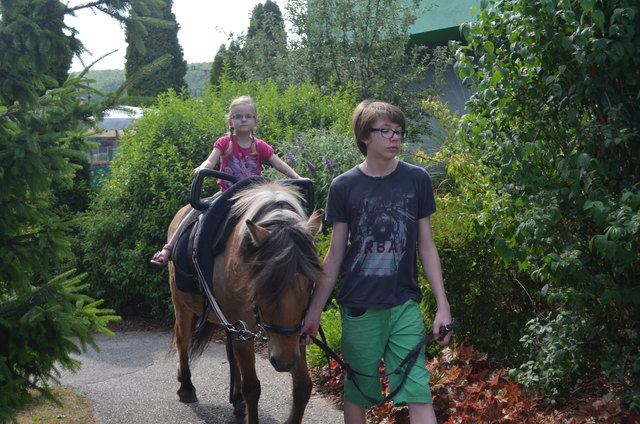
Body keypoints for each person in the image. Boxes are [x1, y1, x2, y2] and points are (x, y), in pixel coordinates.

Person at [301, 100, 452, 424]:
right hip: (359, 307)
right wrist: (313, 313)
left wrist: (443, 306)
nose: (395, 137)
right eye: (386, 130)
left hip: (404, 305)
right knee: (358, 393)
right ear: (364, 136)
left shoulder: (417, 179)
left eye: (399, 131)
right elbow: (336, 254)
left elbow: (426, 246)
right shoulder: (344, 186)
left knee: (418, 392)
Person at [150, 95, 303, 266]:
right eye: (238, 116)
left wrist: (297, 178)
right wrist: (202, 167)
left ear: (256, 121)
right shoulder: (224, 143)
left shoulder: (260, 146)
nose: (243, 119)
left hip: (253, 197)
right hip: (226, 194)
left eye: (248, 116)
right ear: (230, 121)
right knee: (195, 212)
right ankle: (168, 248)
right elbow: (211, 160)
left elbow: (278, 163)